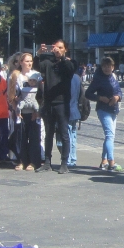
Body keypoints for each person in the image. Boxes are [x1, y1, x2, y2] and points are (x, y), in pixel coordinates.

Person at [35, 40, 75, 174]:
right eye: (55, 47)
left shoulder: (68, 62)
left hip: (62, 103)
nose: (57, 49)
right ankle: (47, 162)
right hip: (49, 103)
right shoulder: (48, 63)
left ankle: (64, 163)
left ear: (65, 49)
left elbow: (70, 70)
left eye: (60, 47)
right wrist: (39, 53)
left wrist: (62, 58)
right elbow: (37, 66)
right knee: (48, 133)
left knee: (64, 134)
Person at [84, 57, 124, 172]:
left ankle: (104, 161)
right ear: (101, 67)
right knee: (110, 136)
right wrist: (100, 98)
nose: (107, 68)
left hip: (114, 109)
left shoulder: (113, 77)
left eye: (109, 66)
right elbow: (88, 93)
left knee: (110, 137)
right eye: (104, 66)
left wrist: (118, 97)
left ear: (113, 67)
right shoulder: (98, 79)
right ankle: (112, 163)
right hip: (103, 109)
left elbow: (119, 91)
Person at [12, 53, 42, 171]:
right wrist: (15, 108)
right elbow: (11, 94)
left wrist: (38, 111)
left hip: (34, 111)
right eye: (27, 61)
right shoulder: (16, 76)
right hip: (21, 111)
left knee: (34, 137)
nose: (29, 63)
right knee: (21, 137)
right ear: (21, 63)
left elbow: (41, 95)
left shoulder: (37, 75)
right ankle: (22, 161)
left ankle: (34, 162)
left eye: (31, 61)